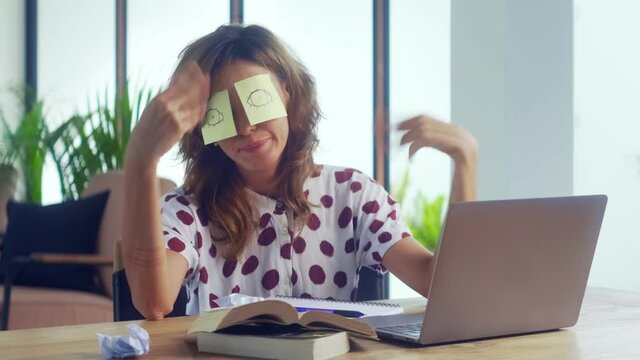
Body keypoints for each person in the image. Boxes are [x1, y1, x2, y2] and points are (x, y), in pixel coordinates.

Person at [122, 24, 478, 320]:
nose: (245, 128)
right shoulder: (189, 210)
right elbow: (154, 304)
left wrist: (465, 160)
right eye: (220, 114)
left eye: (256, 100)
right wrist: (141, 163)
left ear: (287, 94)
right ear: (199, 125)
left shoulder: (352, 194)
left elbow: (445, 287)